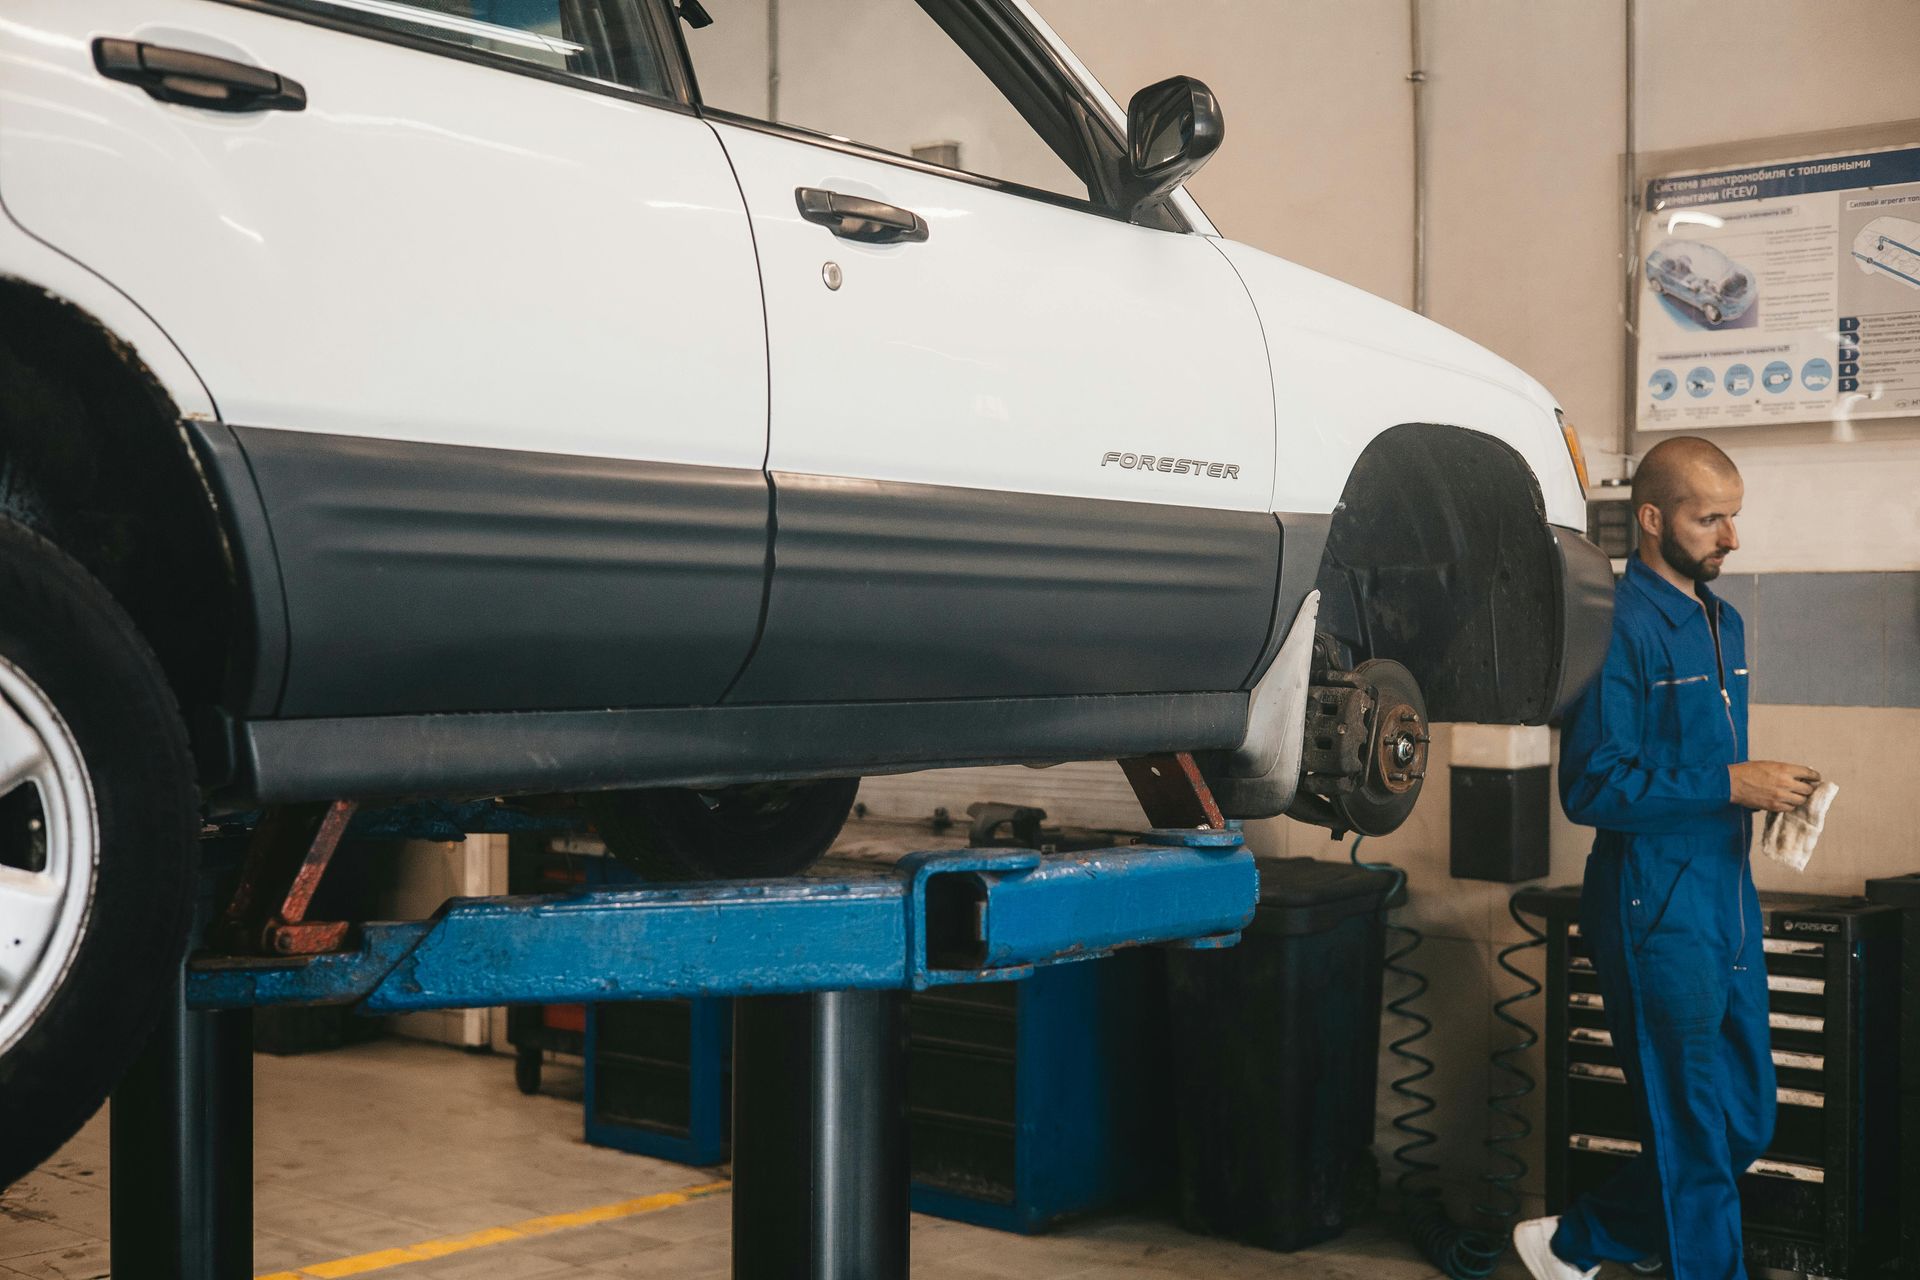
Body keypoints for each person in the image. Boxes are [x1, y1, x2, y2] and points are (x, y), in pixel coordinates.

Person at [1513, 436, 1819, 1280]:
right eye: (1709, 518)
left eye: (1734, 517)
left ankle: (1576, 1242)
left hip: (1726, 894)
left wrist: (1766, 793)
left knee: (1744, 1122)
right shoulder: (1614, 628)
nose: (1731, 538)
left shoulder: (1727, 623)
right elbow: (1593, 787)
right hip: (1654, 904)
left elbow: (1705, 771)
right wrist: (1730, 782)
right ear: (1651, 520)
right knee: (1691, 1135)